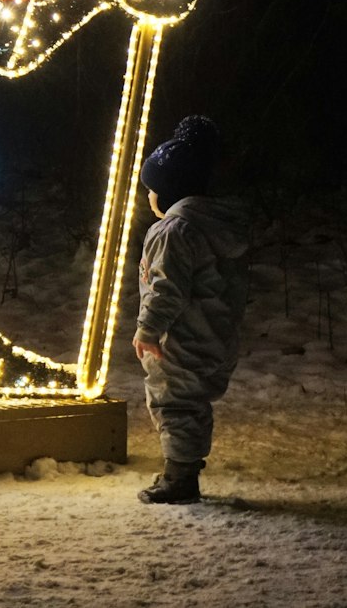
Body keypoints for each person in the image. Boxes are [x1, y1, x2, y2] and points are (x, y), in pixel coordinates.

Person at [132, 115, 249, 504]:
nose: (148, 198)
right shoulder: (214, 226)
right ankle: (184, 468)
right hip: (213, 333)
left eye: (151, 190)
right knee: (191, 402)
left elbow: (167, 288)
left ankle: (180, 479)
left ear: (168, 193)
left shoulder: (174, 231)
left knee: (173, 401)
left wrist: (148, 328)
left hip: (181, 336)